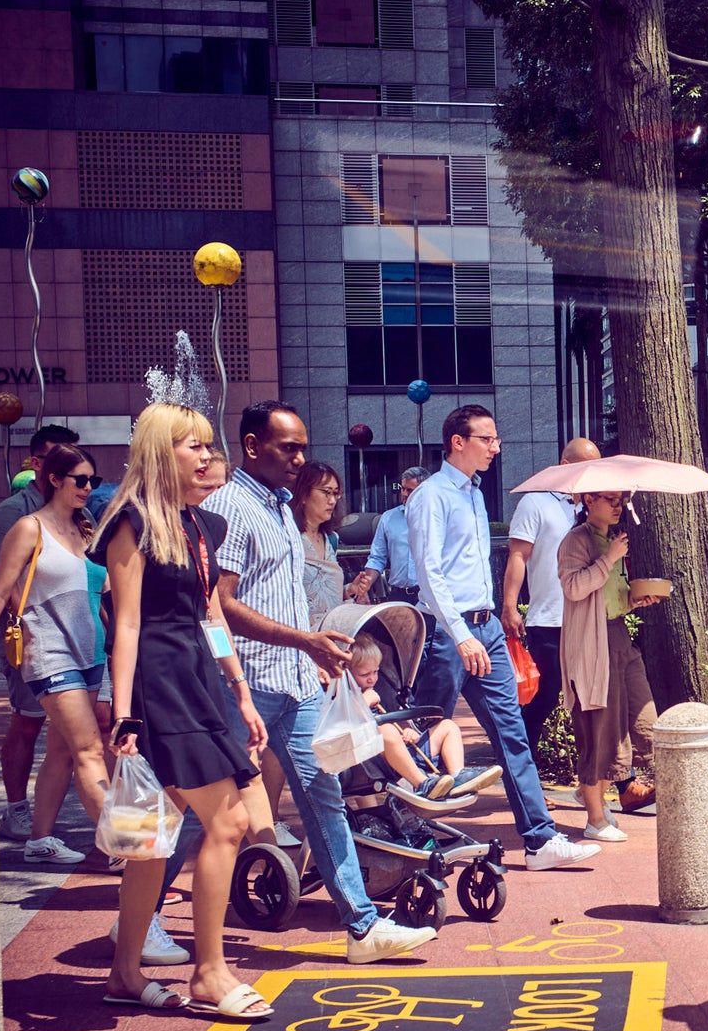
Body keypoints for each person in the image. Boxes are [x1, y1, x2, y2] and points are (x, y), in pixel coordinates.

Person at [205, 401, 437, 962]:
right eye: (289, 447)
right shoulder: (230, 507)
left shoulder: (281, 507)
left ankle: (361, 927)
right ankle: (140, 922)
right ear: (253, 445)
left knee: (323, 794)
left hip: (296, 682)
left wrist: (313, 652)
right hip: (249, 682)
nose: (300, 459)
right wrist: (301, 641)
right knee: (210, 812)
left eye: (303, 446)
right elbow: (220, 605)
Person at [91, 403, 269, 1017]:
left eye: (205, 445)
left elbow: (211, 615)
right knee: (228, 823)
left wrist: (239, 688)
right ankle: (209, 973)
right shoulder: (130, 523)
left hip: (196, 678)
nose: (203, 454)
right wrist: (122, 712)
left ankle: (123, 971)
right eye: (189, 445)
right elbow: (128, 622)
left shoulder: (200, 526)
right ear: (158, 451)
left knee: (153, 840)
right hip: (157, 686)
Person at [409, 405, 602, 872]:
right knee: (423, 736)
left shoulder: (474, 494)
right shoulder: (431, 496)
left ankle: (538, 840)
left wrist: (491, 620)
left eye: (496, 439)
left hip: (486, 629)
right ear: (458, 441)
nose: (496, 447)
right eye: (488, 439)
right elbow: (429, 572)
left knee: (513, 733)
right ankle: (405, 834)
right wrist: (460, 634)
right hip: (444, 633)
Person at [0, 444, 107, 868]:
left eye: (92, 481)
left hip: (92, 651)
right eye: (80, 480)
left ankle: (40, 839)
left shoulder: (86, 527)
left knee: (63, 750)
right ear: (55, 479)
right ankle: (127, 853)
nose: (87, 488)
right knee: (89, 749)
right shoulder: (29, 528)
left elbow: (103, 595)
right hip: (49, 650)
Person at [0, 422, 81, 842]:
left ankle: (51, 822)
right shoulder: (14, 513)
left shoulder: (81, 509)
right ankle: (17, 809)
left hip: (78, 642)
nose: (74, 467)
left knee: (76, 733)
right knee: (28, 722)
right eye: (61, 456)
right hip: (34, 641)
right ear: (39, 464)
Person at [557, 489, 662, 842]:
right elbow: (573, 588)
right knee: (600, 729)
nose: (618, 506)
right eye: (611, 500)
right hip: (592, 644)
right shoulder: (576, 540)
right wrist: (609, 558)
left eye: (622, 500)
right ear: (588, 500)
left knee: (642, 719)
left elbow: (610, 598)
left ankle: (601, 802)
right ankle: (595, 819)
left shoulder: (612, 540)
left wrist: (636, 599)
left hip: (619, 636)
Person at [503, 438, 602, 764]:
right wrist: (510, 605)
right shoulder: (536, 503)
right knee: (543, 698)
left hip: (587, 618)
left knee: (594, 699)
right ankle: (521, 768)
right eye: (587, 466)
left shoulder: (591, 508)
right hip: (549, 620)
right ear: (565, 466)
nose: (592, 473)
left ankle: (609, 776)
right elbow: (518, 555)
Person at [346, 634, 500, 800]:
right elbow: (342, 724)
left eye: (375, 672)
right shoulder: (343, 697)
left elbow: (395, 718)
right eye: (364, 674)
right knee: (387, 731)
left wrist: (407, 731)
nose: (371, 678)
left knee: (448, 727)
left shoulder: (378, 691)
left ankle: (458, 777)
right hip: (372, 762)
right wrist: (362, 703)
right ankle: (423, 784)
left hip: (402, 752)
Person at [347, 466, 427, 605]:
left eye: (410, 490)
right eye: (403, 488)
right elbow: (377, 558)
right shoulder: (388, 518)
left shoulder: (437, 519)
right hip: (398, 595)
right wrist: (365, 586)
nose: (404, 494)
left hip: (428, 596)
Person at [293, 461, 347, 631]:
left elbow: (328, 595)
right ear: (303, 494)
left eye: (336, 494)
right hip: (300, 638)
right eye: (326, 492)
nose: (332, 501)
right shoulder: (288, 539)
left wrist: (351, 589)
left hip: (332, 635)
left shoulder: (330, 539)